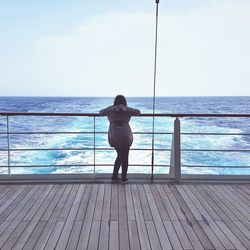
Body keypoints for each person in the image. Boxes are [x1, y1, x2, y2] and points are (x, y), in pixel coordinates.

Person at [99, 95, 140, 184]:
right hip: (125, 134)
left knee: (120, 155)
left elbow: (101, 112)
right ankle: (123, 178)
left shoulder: (110, 109)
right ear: (124, 102)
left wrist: (113, 108)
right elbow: (138, 112)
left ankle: (114, 176)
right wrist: (125, 108)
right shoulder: (127, 109)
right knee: (124, 156)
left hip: (114, 134)